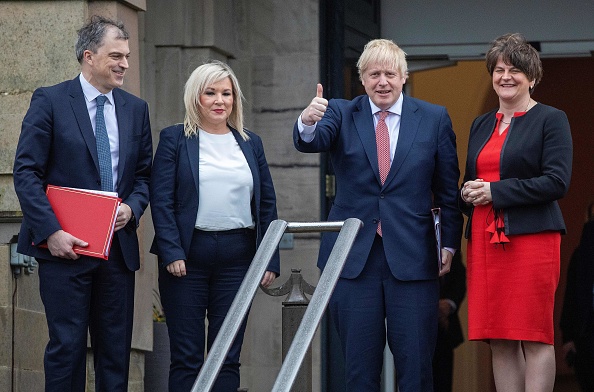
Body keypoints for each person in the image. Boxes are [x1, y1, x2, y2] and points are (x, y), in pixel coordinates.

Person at [293, 38, 463, 391]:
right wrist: (307, 120)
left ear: (403, 77)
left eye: (389, 73)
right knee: (359, 372)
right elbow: (311, 140)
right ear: (362, 79)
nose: (382, 81)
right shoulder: (341, 112)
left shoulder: (433, 118)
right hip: (354, 262)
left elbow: (448, 190)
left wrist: (448, 244)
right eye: (373, 74)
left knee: (416, 371)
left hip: (414, 261)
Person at [13, 16, 152, 392]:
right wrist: (51, 232)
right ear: (89, 56)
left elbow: (143, 176)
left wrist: (133, 208)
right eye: (115, 55)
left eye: (126, 55)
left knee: (115, 354)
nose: (124, 63)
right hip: (64, 250)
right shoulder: (51, 100)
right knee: (67, 348)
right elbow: (25, 173)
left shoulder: (136, 109)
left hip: (116, 251)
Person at [150, 60, 280, 392]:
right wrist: (171, 251)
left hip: (239, 258)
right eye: (211, 93)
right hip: (186, 259)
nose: (219, 100)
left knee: (227, 355)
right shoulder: (174, 139)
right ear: (196, 97)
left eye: (226, 93)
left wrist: (269, 258)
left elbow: (266, 204)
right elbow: (161, 200)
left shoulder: (251, 143)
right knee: (187, 356)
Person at [460, 33, 573, 392]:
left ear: (533, 77)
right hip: (485, 240)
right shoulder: (481, 124)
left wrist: (495, 191)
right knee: (500, 336)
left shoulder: (551, 119)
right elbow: (470, 180)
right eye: (499, 69)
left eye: (515, 70)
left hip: (532, 239)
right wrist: (468, 191)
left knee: (534, 335)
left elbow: (556, 182)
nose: (506, 76)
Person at [560, 202, 594, 391]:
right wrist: (568, 336)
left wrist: (568, 337)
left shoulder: (580, 253)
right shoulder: (582, 255)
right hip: (585, 336)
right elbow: (572, 298)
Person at [432, 251, 466, 392]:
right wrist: (433, 306)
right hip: (419, 326)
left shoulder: (451, 248)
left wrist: (448, 305)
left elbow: (459, 278)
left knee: (443, 382)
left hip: (445, 329)